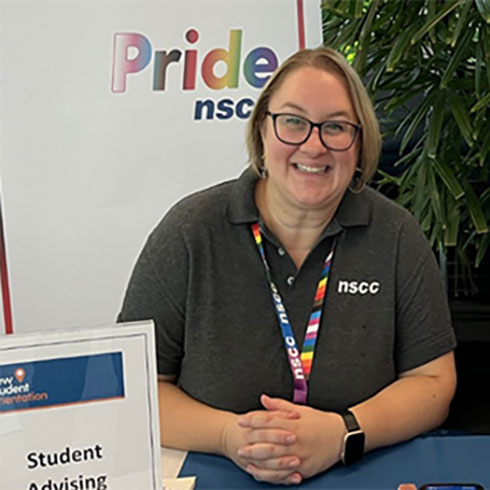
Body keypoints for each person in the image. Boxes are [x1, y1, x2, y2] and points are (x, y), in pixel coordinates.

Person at [118, 46, 457, 485]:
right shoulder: (190, 232)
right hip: (214, 473)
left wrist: (343, 432)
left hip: (358, 469)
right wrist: (228, 436)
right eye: (293, 121)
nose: (313, 145)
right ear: (262, 129)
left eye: (335, 127)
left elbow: (433, 381)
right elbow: (136, 385)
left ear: (359, 143)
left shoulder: (395, 236)